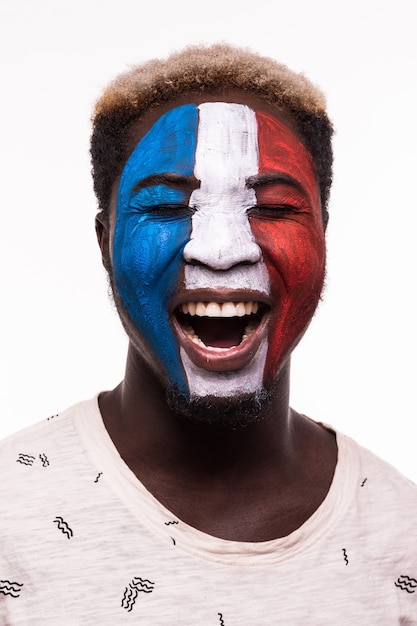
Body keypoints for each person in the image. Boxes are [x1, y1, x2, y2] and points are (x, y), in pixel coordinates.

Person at [1, 44, 416, 624]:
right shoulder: (8, 521)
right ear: (105, 242)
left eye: (272, 207)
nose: (221, 251)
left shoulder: (403, 540)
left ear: (324, 235)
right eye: (169, 207)